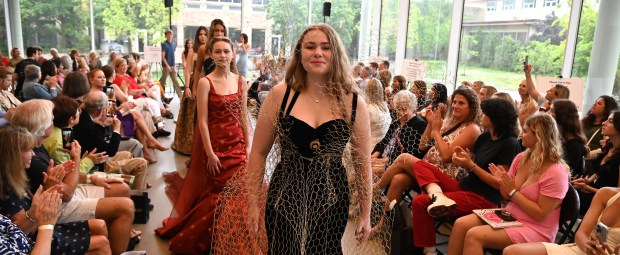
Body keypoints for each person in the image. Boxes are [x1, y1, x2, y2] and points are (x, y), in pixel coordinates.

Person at [246, 23, 373, 254]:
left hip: (332, 199)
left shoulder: (354, 103)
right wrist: (253, 203)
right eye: (310, 47)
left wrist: (366, 212)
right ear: (299, 54)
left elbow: (363, 162)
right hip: (284, 197)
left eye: (326, 47)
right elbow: (258, 153)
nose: (318, 53)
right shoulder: (280, 95)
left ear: (336, 54)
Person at [155, 36, 250, 253]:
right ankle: (215, 240)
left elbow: (243, 116)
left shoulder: (240, 81)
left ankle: (236, 240)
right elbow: (203, 121)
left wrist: (247, 146)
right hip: (216, 147)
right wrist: (209, 152)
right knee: (219, 195)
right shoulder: (205, 82)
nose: (223, 56)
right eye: (218, 52)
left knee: (240, 194)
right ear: (211, 55)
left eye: (227, 51)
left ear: (233, 53)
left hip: (238, 145)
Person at [411, 99, 521, 255]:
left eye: (486, 113)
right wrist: (462, 160)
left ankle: (429, 251)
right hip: (466, 186)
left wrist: (471, 165)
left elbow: (499, 184)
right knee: (419, 164)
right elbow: (473, 165)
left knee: (420, 201)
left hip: (484, 197)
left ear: (496, 118)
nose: (482, 115)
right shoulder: (484, 137)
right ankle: (438, 195)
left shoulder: (510, 143)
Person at [448, 113, 569, 255]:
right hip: (511, 216)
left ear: (539, 136)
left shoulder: (556, 172)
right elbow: (505, 196)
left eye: (525, 131)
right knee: (461, 224)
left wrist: (513, 192)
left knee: (474, 235)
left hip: (536, 228)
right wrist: (502, 183)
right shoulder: (521, 158)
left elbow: (540, 214)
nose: (521, 134)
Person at [374, 87, 481, 231]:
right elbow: (422, 145)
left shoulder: (472, 129)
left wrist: (436, 131)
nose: (455, 105)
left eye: (461, 103)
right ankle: (383, 223)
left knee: (404, 158)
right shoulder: (449, 121)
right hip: (426, 170)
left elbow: (447, 156)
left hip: (446, 177)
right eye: (454, 102)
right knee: (398, 179)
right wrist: (431, 124)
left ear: (472, 107)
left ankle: (375, 190)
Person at [0, 126, 112, 254]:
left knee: (100, 225)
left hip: (40, 228)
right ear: (13, 155)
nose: (33, 153)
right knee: (101, 242)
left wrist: (50, 188)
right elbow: (26, 230)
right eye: (29, 150)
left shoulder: (18, 174)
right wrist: (74, 161)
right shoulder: (6, 187)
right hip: (33, 239)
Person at [503, 186, 620, 255]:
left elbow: (541, 213)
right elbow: (581, 234)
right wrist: (588, 246)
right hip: (581, 250)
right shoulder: (606, 193)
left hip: (538, 228)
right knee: (511, 252)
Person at [571, 111, 620, 215]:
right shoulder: (609, 147)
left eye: (610, 121)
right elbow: (599, 172)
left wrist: (587, 187)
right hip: (591, 193)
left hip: (602, 202)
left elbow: (617, 194)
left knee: (564, 196)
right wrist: (587, 180)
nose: (604, 123)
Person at [372, 90, 427, 177]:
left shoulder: (418, 124)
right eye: (398, 108)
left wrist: (385, 160)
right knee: (361, 167)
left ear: (412, 108)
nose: (400, 112)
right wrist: (374, 156)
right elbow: (384, 141)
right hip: (383, 158)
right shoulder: (396, 122)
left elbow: (410, 152)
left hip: (395, 163)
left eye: (404, 109)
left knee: (366, 172)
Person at [173, 26, 208, 155]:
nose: (202, 36)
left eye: (205, 34)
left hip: (209, 83)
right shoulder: (193, 51)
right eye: (200, 34)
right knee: (191, 114)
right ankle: (191, 145)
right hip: (195, 83)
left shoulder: (211, 50)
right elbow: (187, 70)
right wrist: (187, 87)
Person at [549, 99, 587, 177]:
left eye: (551, 111)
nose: (548, 113)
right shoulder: (559, 138)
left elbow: (567, 172)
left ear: (561, 116)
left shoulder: (575, 145)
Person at [582, 95, 618, 166]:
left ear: (606, 109)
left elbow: (604, 149)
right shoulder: (584, 122)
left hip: (591, 165)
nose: (594, 104)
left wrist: (585, 154)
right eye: (595, 102)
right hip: (581, 161)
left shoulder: (608, 128)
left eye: (599, 103)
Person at [160, 29, 182, 99]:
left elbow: (173, 54)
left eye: (170, 35)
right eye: (168, 35)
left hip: (173, 66)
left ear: (172, 36)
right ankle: (161, 97)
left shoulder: (174, 44)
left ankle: (181, 97)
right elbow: (163, 57)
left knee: (176, 81)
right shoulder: (164, 44)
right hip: (166, 66)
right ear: (166, 36)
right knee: (163, 82)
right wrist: (168, 66)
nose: (169, 36)